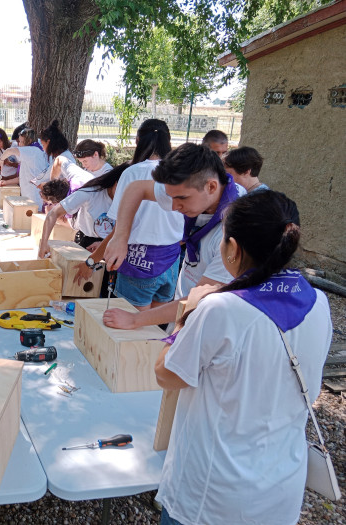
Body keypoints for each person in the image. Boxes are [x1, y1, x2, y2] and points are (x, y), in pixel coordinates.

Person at [154, 190, 332, 525]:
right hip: (280, 486)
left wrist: (185, 315)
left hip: (212, 493)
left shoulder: (221, 309)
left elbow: (166, 374)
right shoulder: (319, 301)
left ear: (233, 249)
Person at [101, 143, 246, 329]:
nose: (174, 207)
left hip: (210, 323)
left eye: (182, 199)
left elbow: (201, 297)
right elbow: (136, 188)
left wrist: (135, 319)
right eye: (171, 197)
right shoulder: (185, 190)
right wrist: (120, 237)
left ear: (211, 186)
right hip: (184, 310)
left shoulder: (234, 231)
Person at [77, 119, 183, 312]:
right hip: (171, 261)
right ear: (169, 142)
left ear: (138, 140)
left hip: (139, 262)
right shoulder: (181, 173)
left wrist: (92, 260)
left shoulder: (133, 173)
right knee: (155, 327)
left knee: (134, 330)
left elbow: (119, 231)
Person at [38, 163, 127, 259]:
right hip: (87, 243)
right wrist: (44, 243)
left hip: (113, 246)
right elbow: (53, 213)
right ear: (116, 183)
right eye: (125, 189)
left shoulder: (133, 201)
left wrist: (103, 244)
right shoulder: (91, 192)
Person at [0, 127, 48, 209]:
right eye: (19, 141)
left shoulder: (32, 151)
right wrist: (6, 182)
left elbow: (9, 151)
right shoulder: (32, 152)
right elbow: (24, 176)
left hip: (34, 196)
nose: (19, 144)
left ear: (29, 141)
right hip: (29, 194)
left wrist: (0, 160)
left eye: (21, 142)